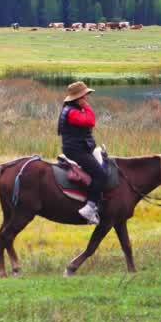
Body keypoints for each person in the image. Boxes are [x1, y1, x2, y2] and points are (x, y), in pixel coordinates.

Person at [58, 81, 105, 225]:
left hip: (78, 148)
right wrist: (88, 108)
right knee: (100, 174)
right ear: (78, 98)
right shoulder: (72, 112)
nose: (87, 99)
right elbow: (90, 122)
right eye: (85, 96)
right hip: (76, 150)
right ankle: (90, 208)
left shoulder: (72, 109)